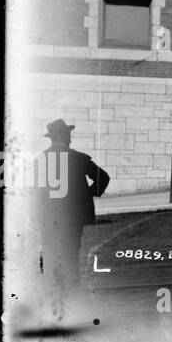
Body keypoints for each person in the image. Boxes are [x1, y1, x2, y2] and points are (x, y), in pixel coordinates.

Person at [35, 119, 110, 319]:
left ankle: (53, 300)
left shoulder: (40, 159)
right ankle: (71, 301)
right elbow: (103, 177)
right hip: (72, 218)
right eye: (68, 134)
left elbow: (34, 193)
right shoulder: (78, 158)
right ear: (65, 136)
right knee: (70, 256)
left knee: (51, 256)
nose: (70, 137)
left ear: (52, 138)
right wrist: (87, 194)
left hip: (49, 219)